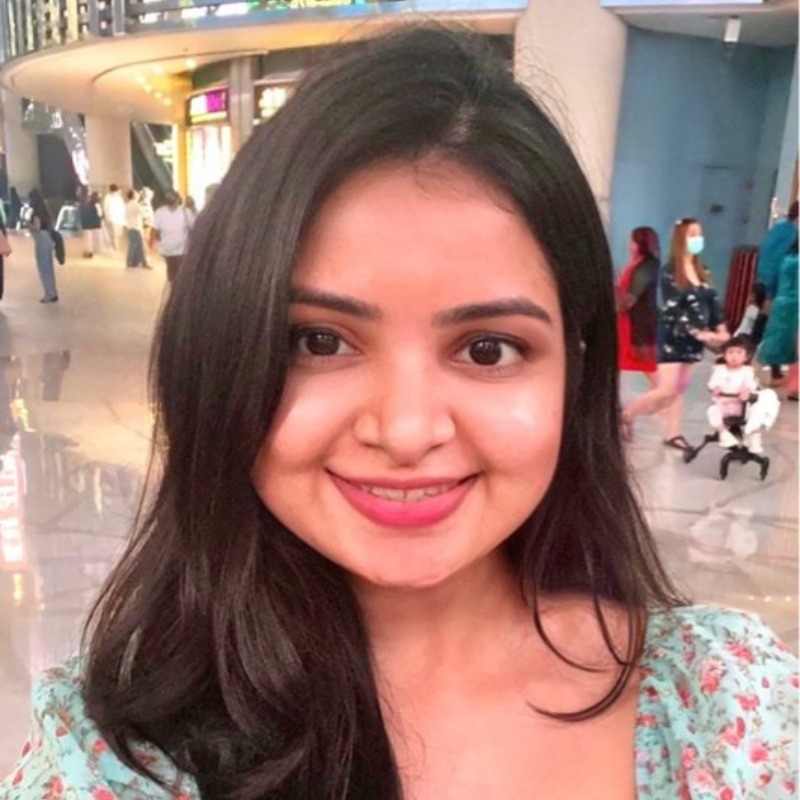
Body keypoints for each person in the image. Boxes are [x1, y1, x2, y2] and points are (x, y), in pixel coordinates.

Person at [3, 28, 796, 799]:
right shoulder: (114, 759)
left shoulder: (729, 707)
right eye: (319, 341)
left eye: (488, 349)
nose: (408, 430)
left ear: (573, 374)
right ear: (219, 354)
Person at [622, 218, 729, 449]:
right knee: (666, 389)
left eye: (699, 235)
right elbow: (674, 306)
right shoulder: (670, 271)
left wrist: (720, 327)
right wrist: (697, 332)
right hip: (674, 334)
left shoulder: (703, 271)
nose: (697, 240)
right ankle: (627, 415)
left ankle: (673, 433)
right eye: (692, 235)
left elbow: (713, 303)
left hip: (694, 340)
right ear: (681, 239)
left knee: (679, 389)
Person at [706, 334, 778, 453]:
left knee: (756, 411)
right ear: (724, 355)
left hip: (740, 406)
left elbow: (750, 384)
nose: (734, 356)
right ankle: (724, 434)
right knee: (712, 411)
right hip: (723, 405)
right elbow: (712, 383)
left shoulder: (747, 371)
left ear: (746, 357)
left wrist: (746, 390)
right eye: (730, 352)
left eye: (739, 353)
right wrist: (715, 388)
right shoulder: (719, 370)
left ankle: (753, 437)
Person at [757, 201, 798, 383]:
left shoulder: (781, 230)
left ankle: (774, 372)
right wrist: (770, 292)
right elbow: (777, 265)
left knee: (769, 326)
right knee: (772, 329)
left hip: (773, 286)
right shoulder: (789, 234)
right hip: (779, 289)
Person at [617, 226, 659, 378]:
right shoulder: (642, 265)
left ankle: (665, 398)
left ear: (640, 244)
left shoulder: (645, 267)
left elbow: (627, 301)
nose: (629, 246)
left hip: (639, 324)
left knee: (649, 368)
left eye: (632, 242)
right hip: (635, 321)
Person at [758, 242, 799, 401]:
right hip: (796, 304)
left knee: (780, 340)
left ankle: (779, 377)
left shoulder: (787, 257)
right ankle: (795, 387)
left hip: (782, 303)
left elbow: (773, 280)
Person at [151, 190, 191, 281]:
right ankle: (177, 291)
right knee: (175, 274)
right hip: (170, 250)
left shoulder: (185, 211)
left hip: (181, 250)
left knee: (176, 274)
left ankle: (176, 290)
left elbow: (156, 231)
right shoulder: (160, 212)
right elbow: (156, 231)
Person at [30, 213, 58, 303]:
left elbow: (37, 228)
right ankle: (53, 292)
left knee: (44, 268)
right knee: (49, 268)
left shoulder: (37, 213)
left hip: (41, 239)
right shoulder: (46, 212)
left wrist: (28, 224)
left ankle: (49, 294)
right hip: (49, 238)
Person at [124, 189, 150, 269]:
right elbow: (144, 214)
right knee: (138, 246)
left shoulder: (127, 205)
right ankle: (141, 263)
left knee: (133, 246)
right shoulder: (136, 205)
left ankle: (134, 262)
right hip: (136, 228)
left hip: (129, 227)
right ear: (134, 196)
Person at [77, 185, 103, 258]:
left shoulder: (84, 200)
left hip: (87, 222)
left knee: (88, 238)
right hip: (90, 222)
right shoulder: (88, 200)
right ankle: (90, 251)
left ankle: (89, 251)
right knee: (90, 238)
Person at [102, 184, 126, 252]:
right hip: (112, 218)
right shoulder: (108, 197)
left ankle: (117, 247)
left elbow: (123, 207)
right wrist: (107, 216)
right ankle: (115, 248)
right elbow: (105, 207)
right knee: (114, 234)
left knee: (119, 234)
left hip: (120, 219)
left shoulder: (119, 198)